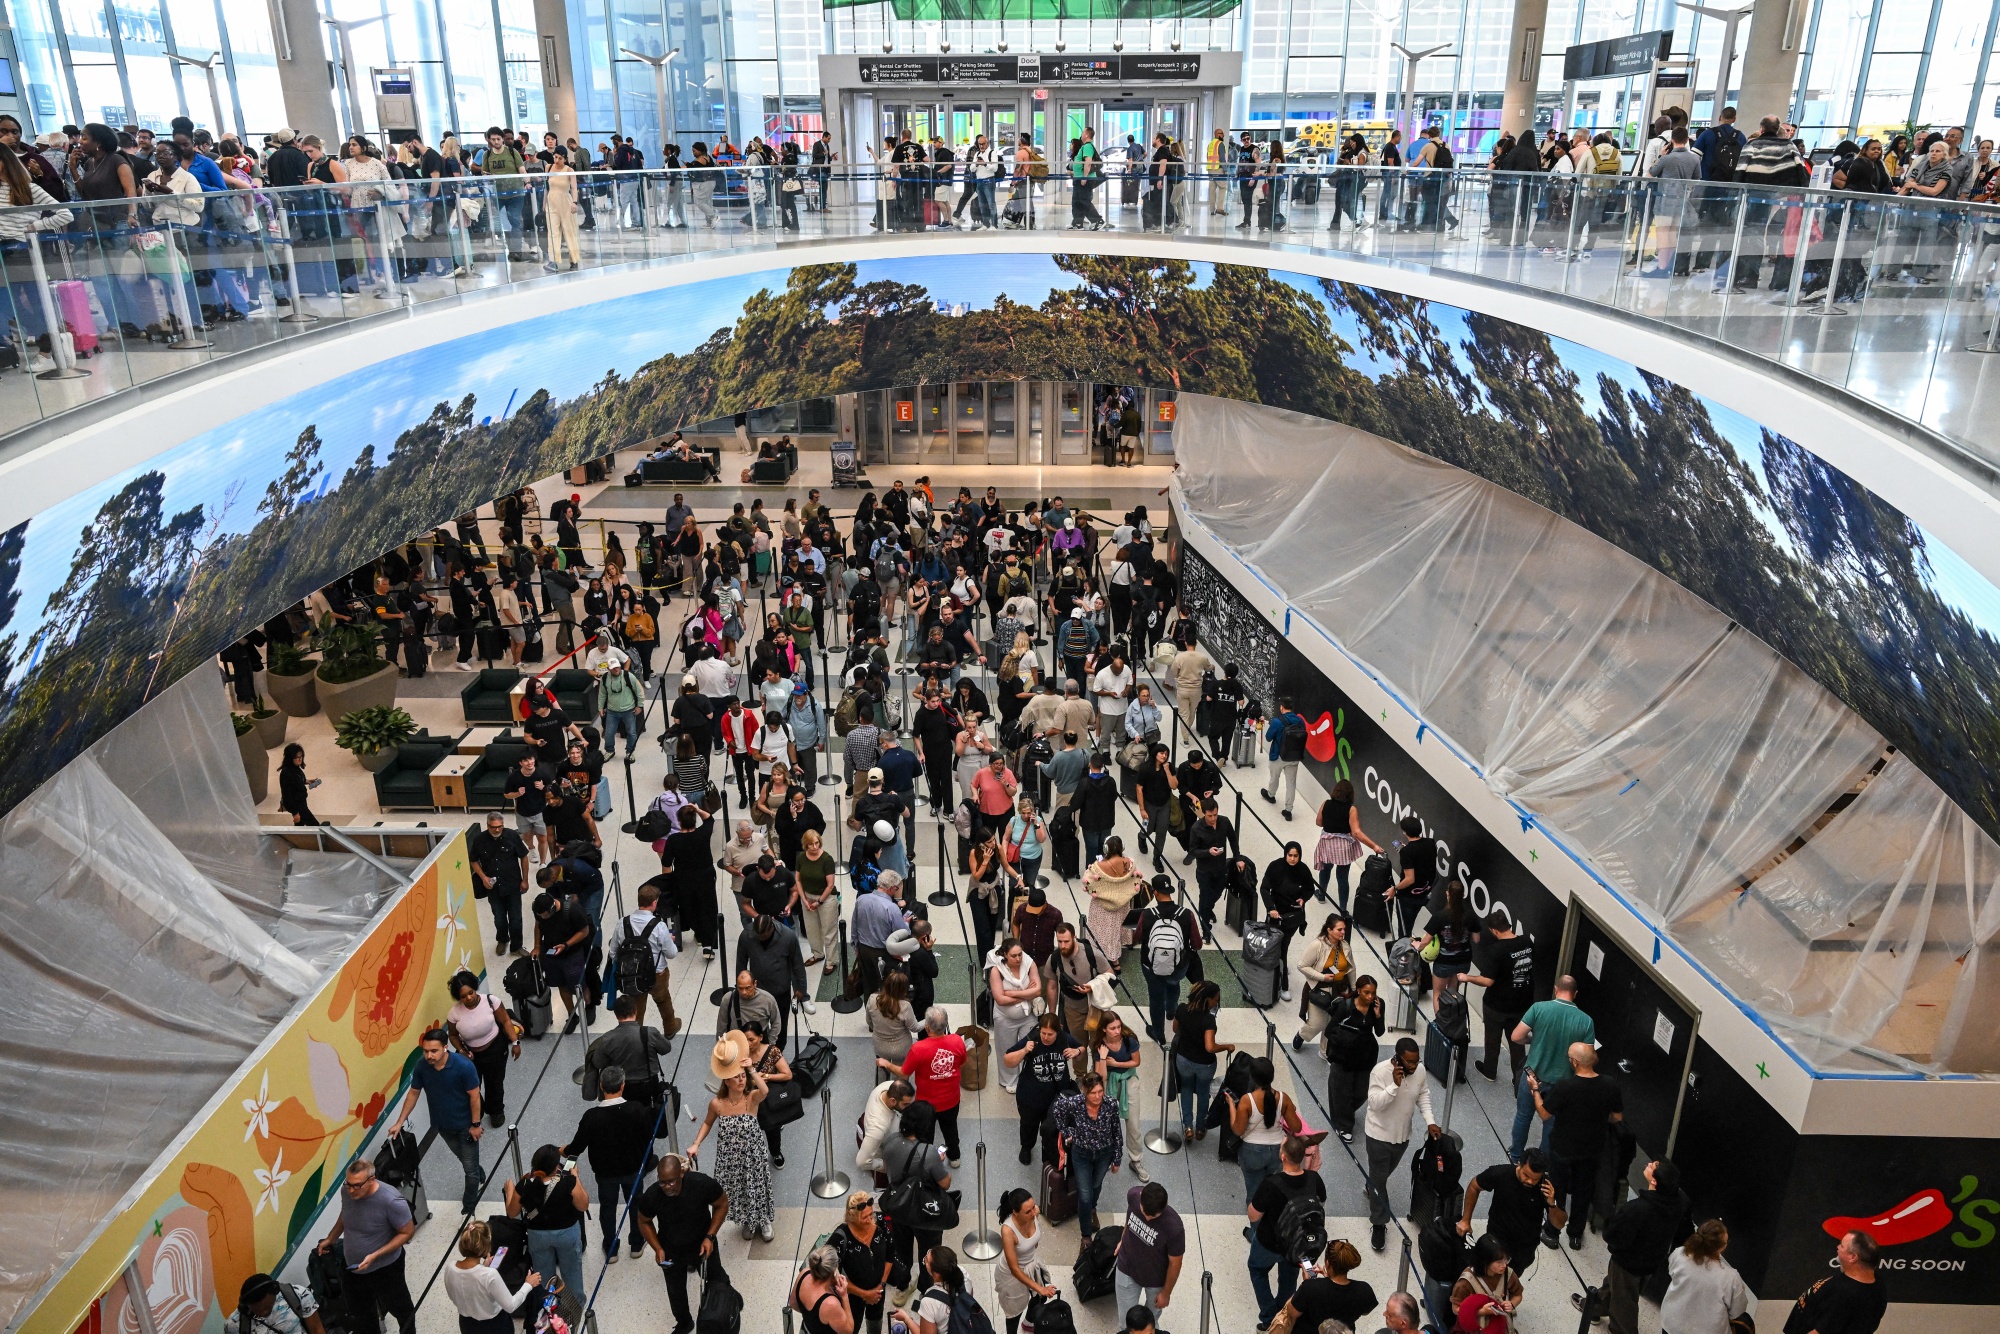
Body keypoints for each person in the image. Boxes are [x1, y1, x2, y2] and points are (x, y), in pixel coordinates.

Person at [564, 1063, 659, 1262]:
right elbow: (649, 1139)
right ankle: (636, 1242)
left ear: (601, 1085)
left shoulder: (591, 1117)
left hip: (605, 1174)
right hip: (634, 1170)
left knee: (607, 1208)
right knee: (635, 1205)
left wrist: (560, 1150)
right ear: (623, 1085)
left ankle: (611, 1247)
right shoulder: (637, 1110)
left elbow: (576, 1148)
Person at [383, 1028, 485, 1213]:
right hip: (442, 1125)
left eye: (434, 1051)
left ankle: (469, 1203)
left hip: (466, 1126)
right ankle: (478, 1170)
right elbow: (414, 1093)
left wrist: (476, 1125)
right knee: (463, 1157)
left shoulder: (464, 1066)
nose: (429, 1055)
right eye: (426, 1051)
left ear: (445, 1048)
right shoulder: (422, 1066)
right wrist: (400, 1122)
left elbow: (475, 1096)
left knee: (469, 1169)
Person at [1533, 1042, 1623, 1249]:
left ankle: (1552, 1232)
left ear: (1574, 1062)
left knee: (1556, 1190)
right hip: (1592, 1150)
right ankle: (1575, 1235)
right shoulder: (1610, 1084)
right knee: (1584, 1192)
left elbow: (1545, 1113)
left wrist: (1536, 1092)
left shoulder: (1565, 1087)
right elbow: (1617, 1116)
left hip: (1562, 1148)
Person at [689, 1029, 775, 1241]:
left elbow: (764, 1091)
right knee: (740, 1190)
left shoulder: (750, 1098)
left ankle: (763, 1220)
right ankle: (748, 1219)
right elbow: (707, 1123)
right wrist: (696, 1144)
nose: (741, 1080)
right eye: (736, 1077)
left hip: (753, 1155)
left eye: (742, 1076)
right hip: (731, 1159)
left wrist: (751, 1070)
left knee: (757, 1186)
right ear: (726, 1081)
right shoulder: (717, 1104)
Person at [317, 1157, 417, 1334]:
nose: (351, 1190)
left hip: (385, 1269)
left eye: (356, 1185)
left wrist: (375, 1255)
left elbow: (407, 1232)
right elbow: (345, 1214)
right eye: (348, 1183)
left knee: (402, 1310)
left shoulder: (391, 1200)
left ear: (371, 1179)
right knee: (362, 1315)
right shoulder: (347, 1192)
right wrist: (331, 1238)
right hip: (353, 1269)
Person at [634, 1155, 731, 1334]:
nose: (667, 1187)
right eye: (662, 1182)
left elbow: (722, 1203)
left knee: (717, 1277)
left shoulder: (700, 1184)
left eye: (671, 1182)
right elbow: (644, 1221)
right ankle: (684, 1322)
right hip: (671, 1249)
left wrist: (710, 1237)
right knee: (675, 1290)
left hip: (702, 1243)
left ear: (681, 1173)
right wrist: (657, 1248)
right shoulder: (653, 1195)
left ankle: (729, 1299)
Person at [1592, 1159, 1689, 1334]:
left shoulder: (1637, 1209)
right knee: (1615, 1286)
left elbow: (1613, 1235)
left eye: (1652, 1166)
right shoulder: (1680, 1201)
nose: (1649, 1164)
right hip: (1653, 1261)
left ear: (1654, 1181)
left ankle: (1621, 1329)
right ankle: (1595, 1307)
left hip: (1628, 1263)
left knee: (1625, 1301)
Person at [1361, 1038, 1440, 1252]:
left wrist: (1430, 1121)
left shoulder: (1420, 1071)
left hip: (1401, 1137)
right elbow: (1375, 1104)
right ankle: (1379, 1223)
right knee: (1380, 1181)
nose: (1414, 1066)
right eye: (1409, 1062)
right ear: (1397, 1058)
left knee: (1382, 1176)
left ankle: (1372, 1185)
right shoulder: (1380, 1072)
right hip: (1378, 1136)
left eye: (1417, 1061)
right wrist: (1393, 1087)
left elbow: (1422, 1095)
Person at [1509, 975, 1595, 1159]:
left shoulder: (1539, 1008)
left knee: (1523, 1117)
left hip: (1533, 1076)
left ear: (1556, 989)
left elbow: (1516, 1037)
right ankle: (1543, 1163)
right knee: (1552, 1124)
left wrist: (1533, 1040)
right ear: (1576, 994)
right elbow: (1588, 1058)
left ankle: (1516, 1156)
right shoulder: (1586, 1021)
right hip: (1563, 1083)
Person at [1246, 1135, 1326, 1327]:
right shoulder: (1314, 1179)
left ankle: (1268, 1316)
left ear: (1283, 1156)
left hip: (1268, 1243)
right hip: (1299, 1246)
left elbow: (1253, 1216)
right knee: (1289, 1280)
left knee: (1257, 1270)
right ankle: (1282, 1318)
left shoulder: (1271, 1183)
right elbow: (1320, 1204)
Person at [503, 1144, 590, 1309]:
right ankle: (575, 1306)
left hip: (538, 1236)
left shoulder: (525, 1184)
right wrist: (576, 1177)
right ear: (556, 1166)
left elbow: (512, 1212)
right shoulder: (567, 1182)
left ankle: (548, 1306)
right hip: (567, 1234)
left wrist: (510, 1191)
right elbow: (583, 1205)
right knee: (571, 1270)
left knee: (543, 1273)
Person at [1458, 1150, 1565, 1278]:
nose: (1530, 1181)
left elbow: (1559, 1223)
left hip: (1524, 1249)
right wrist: (1465, 1219)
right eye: (1526, 1175)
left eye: (1535, 1179)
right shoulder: (1501, 1174)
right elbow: (1474, 1186)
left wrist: (1552, 1203)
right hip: (1497, 1241)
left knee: (1508, 1281)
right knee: (1487, 1277)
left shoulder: (1547, 1187)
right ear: (1519, 1164)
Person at [882, 1102, 954, 1281]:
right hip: (924, 1212)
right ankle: (926, 1286)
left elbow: (886, 1168)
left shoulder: (889, 1141)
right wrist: (940, 1161)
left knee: (901, 1249)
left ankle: (903, 1284)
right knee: (928, 1253)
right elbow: (945, 1184)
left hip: (898, 1206)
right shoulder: (929, 1153)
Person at [444, 970, 521, 1129]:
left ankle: (496, 1111)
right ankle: (477, 1109)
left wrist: (515, 1043)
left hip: (496, 1049)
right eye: (463, 996)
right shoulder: (454, 1013)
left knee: (495, 1083)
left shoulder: (491, 1001)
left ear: (475, 988)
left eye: (470, 993)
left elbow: (506, 1021)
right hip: (471, 1056)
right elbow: (453, 1035)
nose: (468, 998)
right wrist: (461, 1051)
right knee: (472, 1085)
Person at [1003, 1011, 1081, 1164]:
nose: (1045, 1037)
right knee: (1028, 1125)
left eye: (1050, 1034)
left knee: (1053, 1127)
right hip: (1030, 1096)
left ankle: (1049, 1150)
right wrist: (1025, 1050)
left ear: (1057, 1031)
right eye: (1043, 1033)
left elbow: (1081, 1048)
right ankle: (1026, 1147)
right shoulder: (1033, 1039)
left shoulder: (1064, 1038)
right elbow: (1008, 1060)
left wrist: (1076, 1051)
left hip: (1055, 1097)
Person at [1052, 1072, 1123, 1240]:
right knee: (1084, 1195)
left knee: (1096, 1185)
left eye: (1100, 1091)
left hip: (1104, 1153)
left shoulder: (1111, 1104)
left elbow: (1117, 1131)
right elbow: (1057, 1110)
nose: (1097, 1096)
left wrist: (1117, 1157)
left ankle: (1092, 1208)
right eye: (1093, 1093)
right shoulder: (1075, 1103)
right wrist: (1067, 1131)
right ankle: (1085, 1237)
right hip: (1081, 1154)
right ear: (1084, 1091)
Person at [1467, 914, 1533, 1085]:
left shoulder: (1496, 950)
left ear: (1494, 930)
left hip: (1497, 1005)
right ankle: (1518, 1079)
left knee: (1492, 1038)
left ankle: (1490, 1071)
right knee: (1517, 1042)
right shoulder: (1527, 943)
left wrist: (1467, 978)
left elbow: (1487, 981)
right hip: (1521, 1004)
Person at [1230, 1056, 1304, 1203]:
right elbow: (1297, 1127)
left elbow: (1237, 1130)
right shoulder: (1283, 1098)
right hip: (1278, 1151)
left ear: (1253, 1077)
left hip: (1252, 1152)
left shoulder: (1247, 1100)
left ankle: (1256, 1221)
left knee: (1254, 1194)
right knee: (1272, 1185)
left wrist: (1232, 1106)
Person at [1659, 1219, 1751, 1334]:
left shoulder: (1680, 1253)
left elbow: (1671, 1272)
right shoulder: (1730, 1277)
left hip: (1672, 1324)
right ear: (1721, 1247)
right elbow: (1737, 1311)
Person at [1267, 1238, 1377, 1334]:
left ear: (1327, 1263)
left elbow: (1291, 1313)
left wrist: (1307, 1283)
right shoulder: (1364, 1290)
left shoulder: (1310, 1288)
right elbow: (1365, 1311)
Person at [1140, 875, 1203, 1042]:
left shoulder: (1147, 914)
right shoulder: (1187, 914)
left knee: (1155, 997)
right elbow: (1197, 944)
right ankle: (1171, 1011)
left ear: (1154, 892)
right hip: (1178, 965)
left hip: (1151, 966)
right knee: (1173, 983)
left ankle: (1159, 1035)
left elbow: (1138, 937)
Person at [902, 1006, 968, 1166]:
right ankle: (954, 1157)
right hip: (951, 1100)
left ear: (927, 1027)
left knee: (926, 1134)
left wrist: (885, 1064)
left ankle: (927, 1160)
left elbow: (904, 1073)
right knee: (950, 1129)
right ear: (945, 1025)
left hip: (926, 1104)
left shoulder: (918, 1049)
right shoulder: (957, 1041)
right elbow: (962, 1062)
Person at [1322, 975, 1385, 1141]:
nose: (1370, 997)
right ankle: (1344, 1125)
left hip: (1365, 1055)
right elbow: (1329, 1030)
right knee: (1341, 1091)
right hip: (1344, 1055)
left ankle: (1345, 1112)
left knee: (1362, 1091)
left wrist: (1378, 1016)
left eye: (1373, 993)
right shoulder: (1346, 1006)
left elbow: (1379, 1032)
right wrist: (1345, 1042)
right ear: (1358, 991)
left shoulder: (1378, 1005)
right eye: (1366, 993)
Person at [1171, 980, 1231, 1138]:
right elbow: (1210, 1047)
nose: (1217, 1001)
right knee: (1203, 1093)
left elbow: (1175, 1028)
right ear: (1207, 999)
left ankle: (1188, 1127)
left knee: (1186, 1089)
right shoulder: (1208, 1020)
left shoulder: (1182, 1009)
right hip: (1204, 1064)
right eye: (1215, 998)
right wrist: (1226, 1046)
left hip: (1183, 1059)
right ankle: (1200, 1127)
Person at [1117, 1181, 1186, 1317]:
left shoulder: (1174, 1228)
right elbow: (1129, 1218)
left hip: (1156, 1280)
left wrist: (1166, 1293)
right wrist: (1123, 1239)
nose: (1147, 1218)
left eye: (1153, 1216)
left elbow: (1175, 1263)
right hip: (1127, 1268)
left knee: (1151, 1322)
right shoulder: (1133, 1195)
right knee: (1125, 1323)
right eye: (1144, 1212)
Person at [830, 1192, 895, 1334]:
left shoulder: (880, 1223)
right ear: (851, 1217)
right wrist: (865, 1294)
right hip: (853, 1297)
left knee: (875, 1321)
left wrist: (881, 1285)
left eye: (871, 1214)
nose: (870, 1220)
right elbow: (833, 1277)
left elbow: (890, 1256)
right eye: (864, 1217)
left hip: (879, 1291)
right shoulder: (840, 1238)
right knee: (852, 1327)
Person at [1093, 1012, 1148, 1181]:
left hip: (1128, 1080)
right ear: (1104, 1029)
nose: (1117, 1031)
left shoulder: (1129, 1038)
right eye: (1112, 1028)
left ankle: (1136, 1160)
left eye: (1118, 1026)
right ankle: (1109, 1157)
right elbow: (1100, 1076)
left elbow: (1136, 1061)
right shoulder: (1098, 1045)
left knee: (1133, 1124)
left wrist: (1116, 1064)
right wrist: (1103, 1058)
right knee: (1108, 1124)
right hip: (1109, 1083)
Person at [996, 1188, 1057, 1334]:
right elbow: (1015, 1269)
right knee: (1014, 1313)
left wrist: (1040, 1289)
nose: (1034, 1212)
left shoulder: (1033, 1212)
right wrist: (1040, 1288)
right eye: (1028, 1212)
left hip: (1031, 1263)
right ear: (1015, 1212)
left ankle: (1028, 1322)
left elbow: (1033, 1242)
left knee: (1040, 1299)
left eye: (1033, 1207)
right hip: (1012, 1275)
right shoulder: (1007, 1230)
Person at [1312, 780, 1380, 910]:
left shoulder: (1326, 803)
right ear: (1350, 794)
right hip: (1343, 846)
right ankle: (1343, 909)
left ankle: (1321, 894)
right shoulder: (1351, 809)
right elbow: (1356, 832)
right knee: (1342, 877)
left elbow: (1318, 822)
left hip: (1327, 843)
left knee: (1325, 869)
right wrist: (1374, 846)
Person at [469, 811, 530, 955]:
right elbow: (473, 861)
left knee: (515, 918)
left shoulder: (512, 836)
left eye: (500, 827)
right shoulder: (479, 840)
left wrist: (525, 880)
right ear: (487, 825)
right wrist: (484, 877)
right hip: (493, 888)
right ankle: (502, 940)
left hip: (513, 885)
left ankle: (516, 946)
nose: (497, 830)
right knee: (499, 917)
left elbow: (524, 857)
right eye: (493, 827)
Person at [987, 937, 1043, 1092]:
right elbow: (1000, 999)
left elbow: (1038, 990)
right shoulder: (996, 970)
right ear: (1005, 954)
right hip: (1005, 1019)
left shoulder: (1029, 963)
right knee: (1006, 1049)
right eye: (1014, 956)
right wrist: (1026, 993)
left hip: (1028, 1017)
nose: (1018, 958)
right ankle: (1009, 1080)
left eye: (1020, 954)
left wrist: (1013, 993)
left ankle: (1028, 1077)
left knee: (1030, 1048)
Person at [532, 890, 593, 1029]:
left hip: (572, 954)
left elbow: (584, 931)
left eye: (545, 915)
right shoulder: (539, 912)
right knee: (561, 985)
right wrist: (537, 946)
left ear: (552, 908)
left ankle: (589, 1005)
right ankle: (572, 1015)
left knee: (579, 984)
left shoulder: (572, 910)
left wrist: (566, 945)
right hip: (551, 954)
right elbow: (538, 926)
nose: (543, 918)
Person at [1448, 1234, 1522, 1334]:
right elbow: (1456, 1309)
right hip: (1474, 1327)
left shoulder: (1508, 1274)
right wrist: (1481, 1312)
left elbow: (1517, 1295)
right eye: (1499, 1262)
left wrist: (1511, 1304)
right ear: (1485, 1261)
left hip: (1499, 1325)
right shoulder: (1466, 1282)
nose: (1504, 1265)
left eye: (1506, 1259)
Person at [225, 1273, 328, 1334]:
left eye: (266, 1307)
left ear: (275, 1292)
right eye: (257, 1309)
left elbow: (317, 1329)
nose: (263, 1312)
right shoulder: (234, 1325)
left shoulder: (297, 1295)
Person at [277, 743, 322, 826]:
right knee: (314, 826)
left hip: (301, 802)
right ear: (290, 758)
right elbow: (287, 795)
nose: (300, 759)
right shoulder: (286, 773)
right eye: (296, 757)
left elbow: (295, 782)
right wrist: (295, 813)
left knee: (300, 826)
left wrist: (306, 781)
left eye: (301, 757)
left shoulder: (295, 768)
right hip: (298, 805)